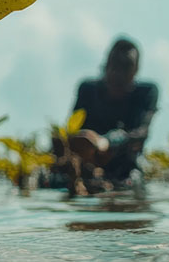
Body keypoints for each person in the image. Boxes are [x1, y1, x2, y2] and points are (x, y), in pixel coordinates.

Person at [56, 38, 158, 187]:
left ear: (135, 70)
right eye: (115, 65)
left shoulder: (146, 92)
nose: (119, 73)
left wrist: (106, 142)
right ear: (107, 65)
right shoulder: (87, 90)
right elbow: (72, 133)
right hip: (87, 166)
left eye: (126, 67)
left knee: (131, 185)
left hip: (125, 169)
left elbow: (141, 133)